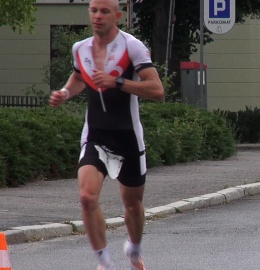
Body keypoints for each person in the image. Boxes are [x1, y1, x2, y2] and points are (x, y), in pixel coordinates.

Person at [49, 0, 164, 269]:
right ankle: (104, 262)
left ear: (117, 15)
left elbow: (157, 90)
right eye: (93, 11)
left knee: (133, 205)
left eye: (104, 11)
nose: (98, 17)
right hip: (95, 135)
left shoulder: (131, 46)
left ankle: (134, 250)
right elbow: (79, 78)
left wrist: (118, 82)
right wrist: (65, 92)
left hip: (127, 137)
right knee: (87, 198)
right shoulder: (81, 48)